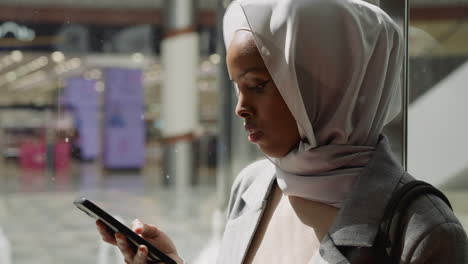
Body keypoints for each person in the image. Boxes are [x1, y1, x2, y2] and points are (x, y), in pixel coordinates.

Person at [96, 0, 468, 263]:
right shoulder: (254, 185)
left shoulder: (424, 230)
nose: (241, 107)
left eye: (257, 85)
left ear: (329, 86)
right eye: (237, 87)